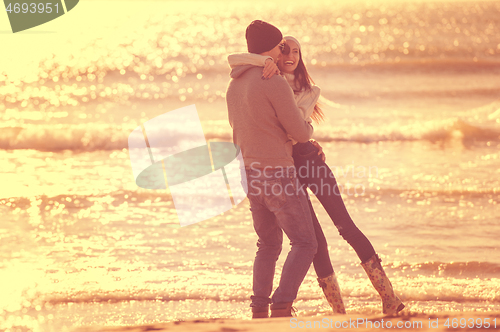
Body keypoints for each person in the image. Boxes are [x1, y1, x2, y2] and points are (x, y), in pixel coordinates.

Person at [228, 36, 405, 315]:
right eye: (285, 50)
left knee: (345, 227)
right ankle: (338, 310)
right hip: (288, 168)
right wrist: (265, 65)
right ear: (274, 54)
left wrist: (307, 139)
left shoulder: (307, 89)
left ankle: (389, 296)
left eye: (297, 52)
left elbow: (293, 128)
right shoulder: (267, 79)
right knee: (315, 242)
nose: (291, 56)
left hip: (309, 163)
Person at [226, 20, 319, 319]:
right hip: (277, 172)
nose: (284, 51)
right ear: (273, 46)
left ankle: (259, 309)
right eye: (281, 46)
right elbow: (301, 133)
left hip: (249, 173)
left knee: (267, 244)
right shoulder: (274, 81)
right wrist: (307, 124)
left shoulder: (235, 83)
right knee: (305, 243)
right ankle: (282, 304)